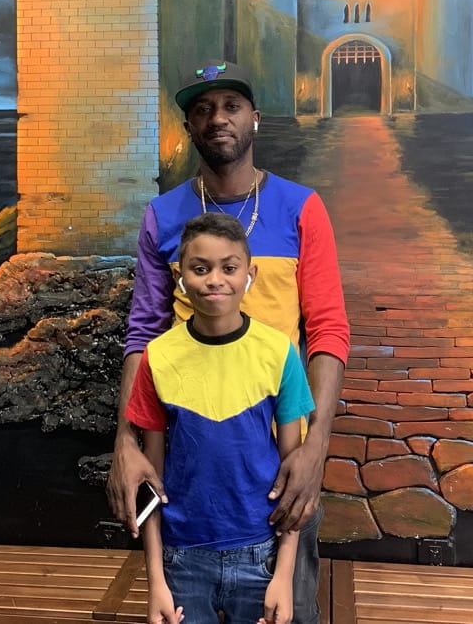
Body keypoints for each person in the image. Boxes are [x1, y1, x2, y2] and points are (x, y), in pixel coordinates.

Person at [108, 60, 349, 624]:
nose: (218, 118)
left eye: (231, 106)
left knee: (285, 609)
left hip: (280, 456)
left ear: (254, 119)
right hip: (190, 460)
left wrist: (314, 448)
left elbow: (327, 330)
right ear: (189, 127)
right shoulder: (162, 216)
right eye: (203, 109)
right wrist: (125, 442)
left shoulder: (301, 208)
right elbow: (144, 333)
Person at [126, 213, 314, 624]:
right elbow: (152, 479)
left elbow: (294, 476)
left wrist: (284, 575)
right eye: (200, 268)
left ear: (250, 274)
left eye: (229, 268)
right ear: (180, 277)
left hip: (260, 554)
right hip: (182, 557)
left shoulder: (278, 352)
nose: (215, 280)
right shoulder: (158, 357)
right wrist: (155, 580)